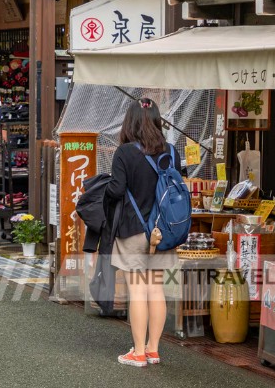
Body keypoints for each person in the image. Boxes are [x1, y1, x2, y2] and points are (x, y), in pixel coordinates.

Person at [106, 98, 179, 367]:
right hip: (164, 231)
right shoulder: (171, 152)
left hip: (134, 230)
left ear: (130, 122)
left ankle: (137, 353)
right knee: (156, 289)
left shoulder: (124, 152)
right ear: (157, 121)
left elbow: (115, 190)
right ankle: (153, 349)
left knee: (137, 290)